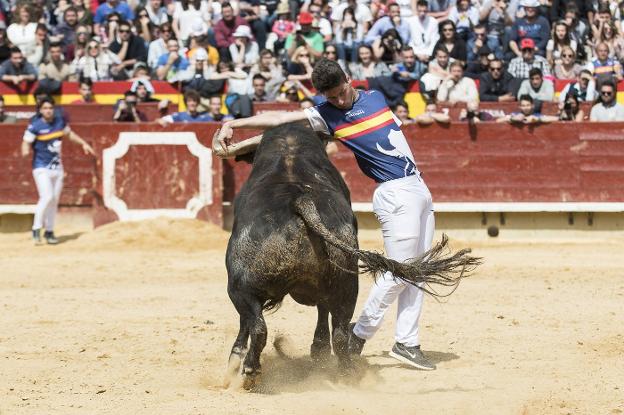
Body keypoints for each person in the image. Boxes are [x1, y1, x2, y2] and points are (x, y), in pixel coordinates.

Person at [214, 58, 439, 370]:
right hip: (394, 192)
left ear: (349, 79)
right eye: (330, 97)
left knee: (418, 271)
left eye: (341, 92)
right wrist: (234, 127)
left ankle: (407, 341)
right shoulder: (328, 114)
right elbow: (280, 121)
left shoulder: (375, 96)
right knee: (402, 269)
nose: (338, 101)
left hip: (419, 186)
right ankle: (359, 333)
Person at [20, 96, 95, 245]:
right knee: (46, 197)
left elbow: (70, 134)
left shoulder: (60, 122)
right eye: (45, 108)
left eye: (50, 108)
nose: (48, 111)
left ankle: (49, 231)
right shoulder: (35, 126)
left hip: (57, 168)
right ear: (40, 111)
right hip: (41, 167)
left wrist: (84, 144)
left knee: (54, 201)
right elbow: (26, 142)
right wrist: (25, 150)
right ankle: (36, 229)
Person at [408, 0, 439, 69]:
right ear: (416, 10)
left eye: (425, 11)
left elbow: (434, 40)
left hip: (429, 54)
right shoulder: (410, 21)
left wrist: (428, 54)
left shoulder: (433, 22)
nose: (422, 13)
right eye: (420, 11)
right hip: (415, 53)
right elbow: (410, 40)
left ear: (428, 10)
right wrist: (417, 54)